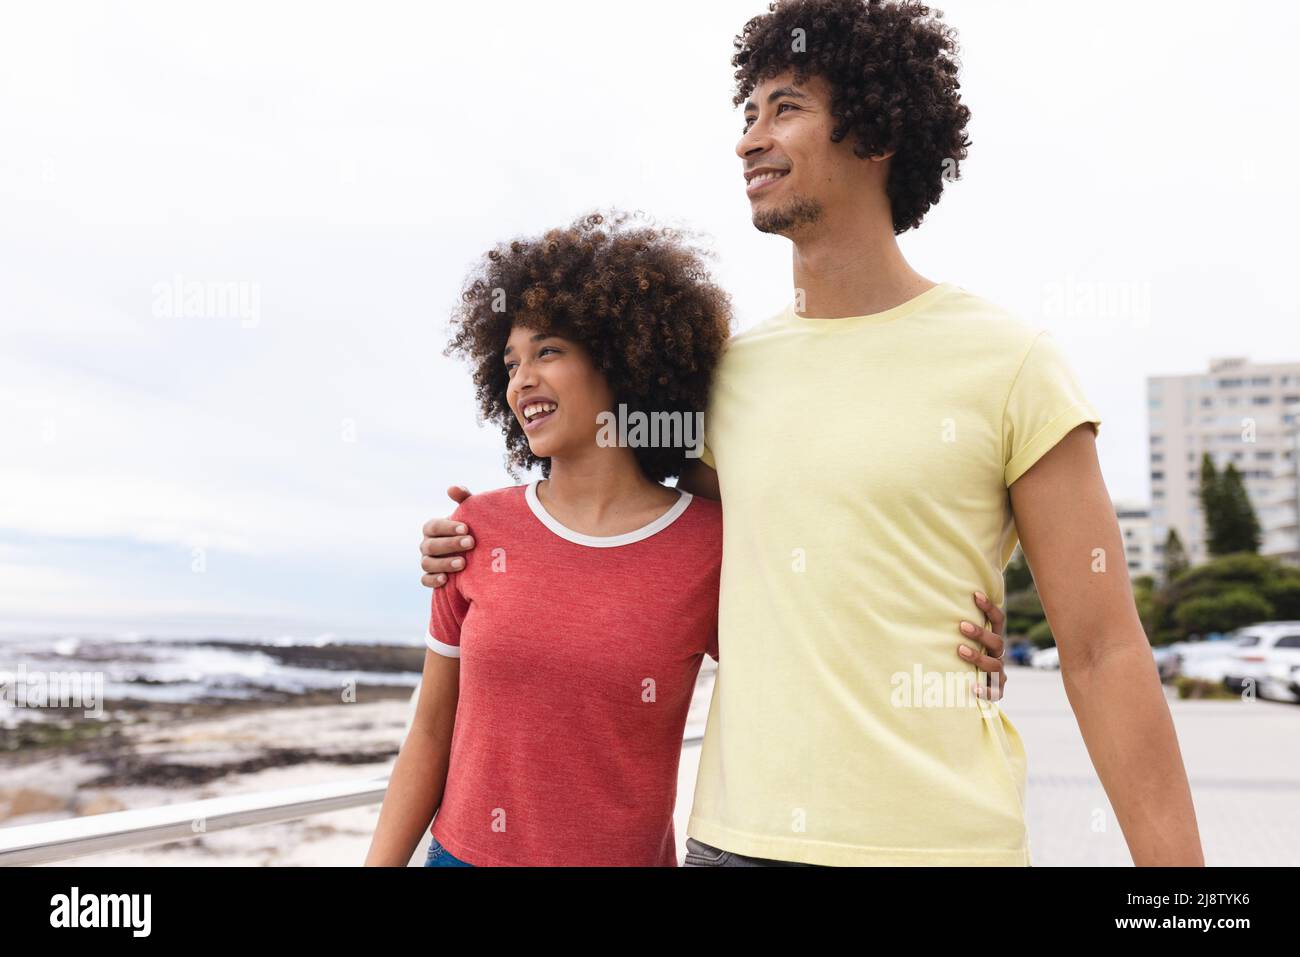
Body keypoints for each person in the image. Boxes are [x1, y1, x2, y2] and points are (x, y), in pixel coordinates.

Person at [421, 0, 1203, 867]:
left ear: (874, 131)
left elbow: (1101, 651)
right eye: (747, 113)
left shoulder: (1013, 363)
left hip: (944, 847)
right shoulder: (726, 380)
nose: (750, 138)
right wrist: (480, 539)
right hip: (737, 843)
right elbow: (638, 535)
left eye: (785, 108)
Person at [367, 209, 1014, 867]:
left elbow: (820, 657)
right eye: (509, 363)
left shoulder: (709, 543)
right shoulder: (476, 530)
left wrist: (956, 657)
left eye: (549, 351)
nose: (521, 380)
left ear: (619, 358)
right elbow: (428, 733)